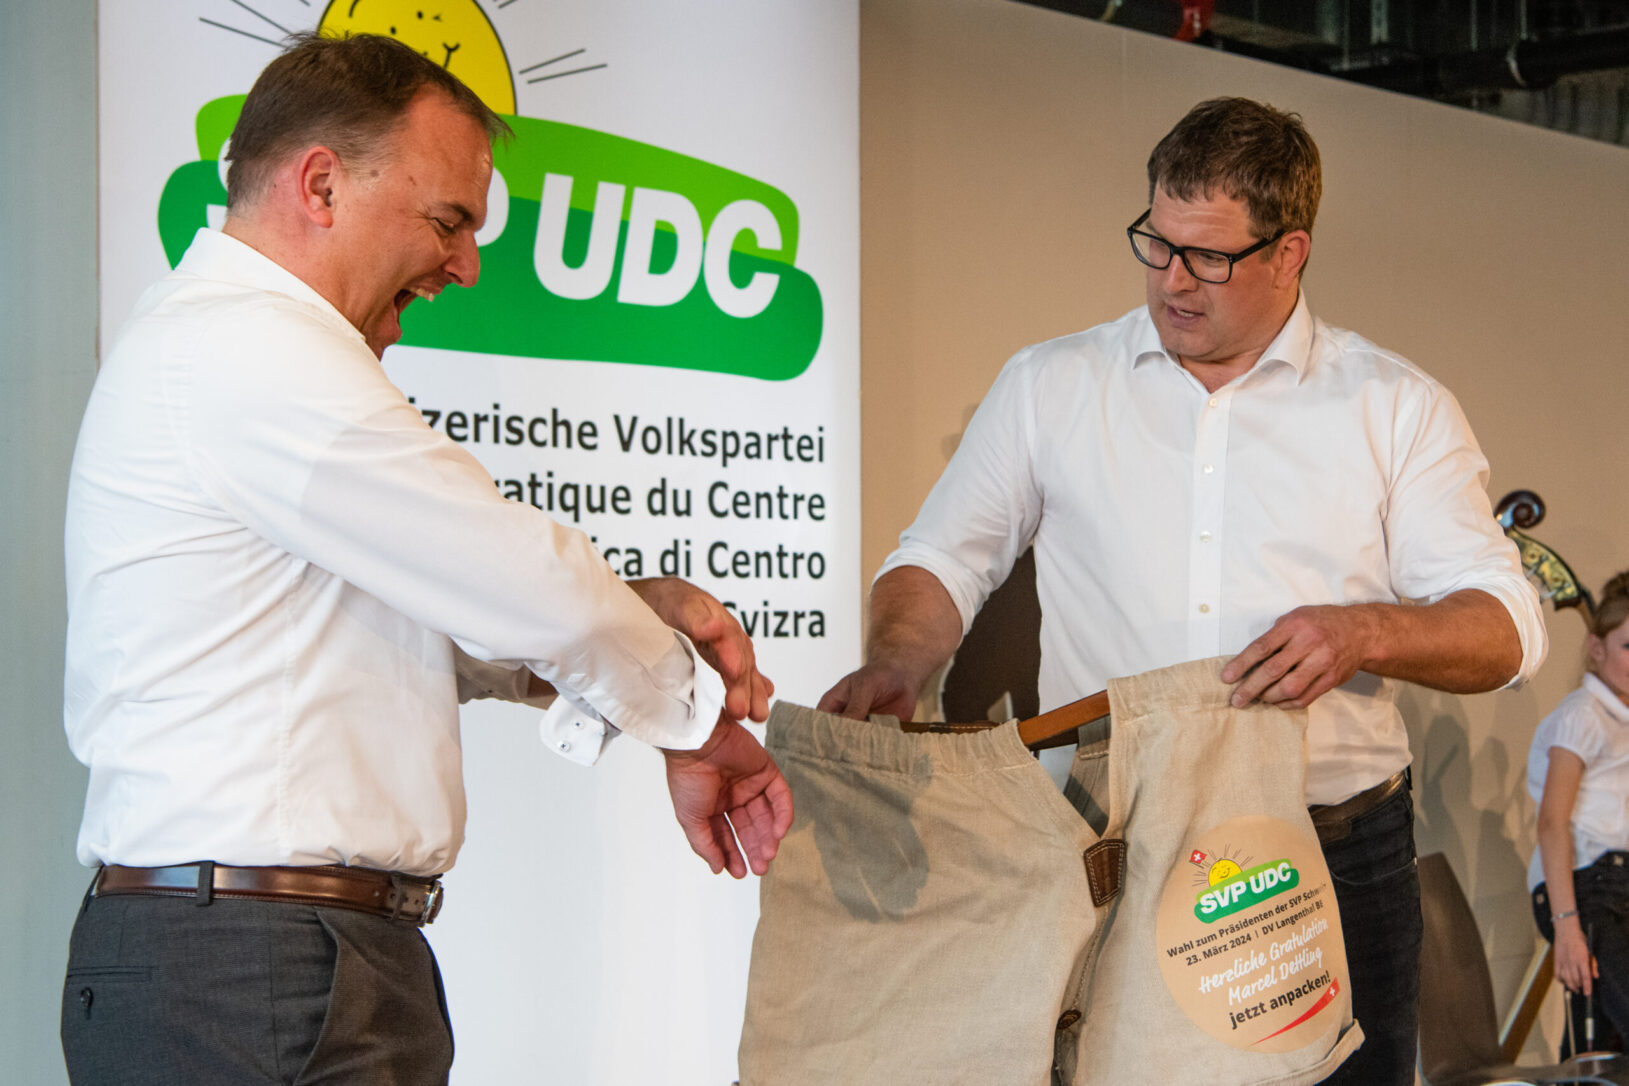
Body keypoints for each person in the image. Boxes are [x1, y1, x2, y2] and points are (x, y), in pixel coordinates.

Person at [59, 32, 790, 1085]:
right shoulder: (248, 348)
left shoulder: (222, 348)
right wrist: (691, 718)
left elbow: (409, 628)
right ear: (320, 184)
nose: (466, 265)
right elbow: (523, 582)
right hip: (253, 973)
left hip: (266, 960)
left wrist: (633, 615)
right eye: (449, 222)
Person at [819, 97, 1546, 1085]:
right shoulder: (1051, 384)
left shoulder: (1394, 407)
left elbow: (1504, 627)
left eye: (1207, 256)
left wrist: (1363, 631)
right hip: (1105, 838)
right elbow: (944, 556)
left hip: (1327, 848)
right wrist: (898, 662)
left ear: (1289, 254)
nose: (1170, 279)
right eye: (1155, 243)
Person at [1529, 572, 1629, 1058]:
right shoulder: (1584, 714)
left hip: (1617, 886)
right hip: (1588, 889)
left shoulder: (1620, 718)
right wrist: (1567, 925)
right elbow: (1552, 822)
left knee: (1601, 1047)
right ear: (1596, 648)